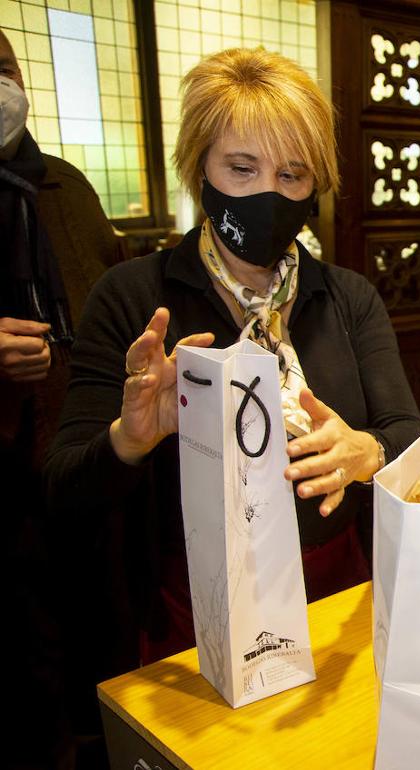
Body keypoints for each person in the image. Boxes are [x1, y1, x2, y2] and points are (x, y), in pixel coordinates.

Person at [46, 48, 420, 668]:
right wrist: (130, 438)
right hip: (192, 612)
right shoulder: (135, 297)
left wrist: (369, 451)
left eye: (292, 175)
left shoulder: (349, 297)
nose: (267, 195)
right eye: (242, 170)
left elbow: (409, 436)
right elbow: (62, 486)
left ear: (315, 186)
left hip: (339, 599)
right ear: (200, 168)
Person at [2, 27, 124, 769]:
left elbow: (111, 279)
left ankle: (101, 736)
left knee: (101, 606)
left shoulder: (64, 184)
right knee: (24, 630)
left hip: (86, 437)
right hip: (6, 459)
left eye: (5, 66)